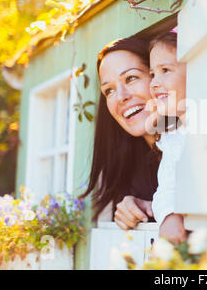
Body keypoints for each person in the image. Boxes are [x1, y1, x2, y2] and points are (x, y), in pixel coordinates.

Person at [80, 37, 160, 230]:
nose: (122, 97)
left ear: (157, 77)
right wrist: (131, 207)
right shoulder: (130, 165)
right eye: (109, 90)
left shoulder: (190, 144)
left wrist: (156, 208)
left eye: (131, 78)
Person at [149, 31, 188, 244]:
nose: (154, 82)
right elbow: (166, 187)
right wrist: (168, 215)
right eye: (152, 73)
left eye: (165, 70)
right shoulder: (172, 135)